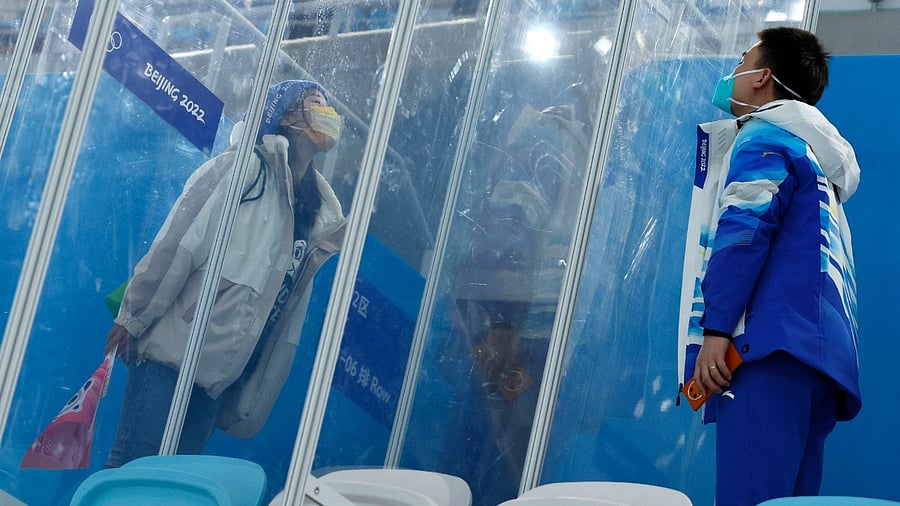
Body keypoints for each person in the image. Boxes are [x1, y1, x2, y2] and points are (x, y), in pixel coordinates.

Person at [103, 79, 346, 467]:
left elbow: (281, 322)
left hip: (218, 381)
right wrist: (134, 316)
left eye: (329, 108)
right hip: (172, 355)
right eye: (315, 105)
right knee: (132, 466)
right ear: (284, 117)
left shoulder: (319, 218)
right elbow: (177, 245)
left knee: (169, 490)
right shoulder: (242, 168)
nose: (328, 116)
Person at [690, 27, 861, 505]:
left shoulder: (765, 135)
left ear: (763, 77)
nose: (734, 72)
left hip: (768, 350)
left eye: (742, 61)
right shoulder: (819, 162)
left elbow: (744, 230)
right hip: (821, 362)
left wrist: (717, 330)